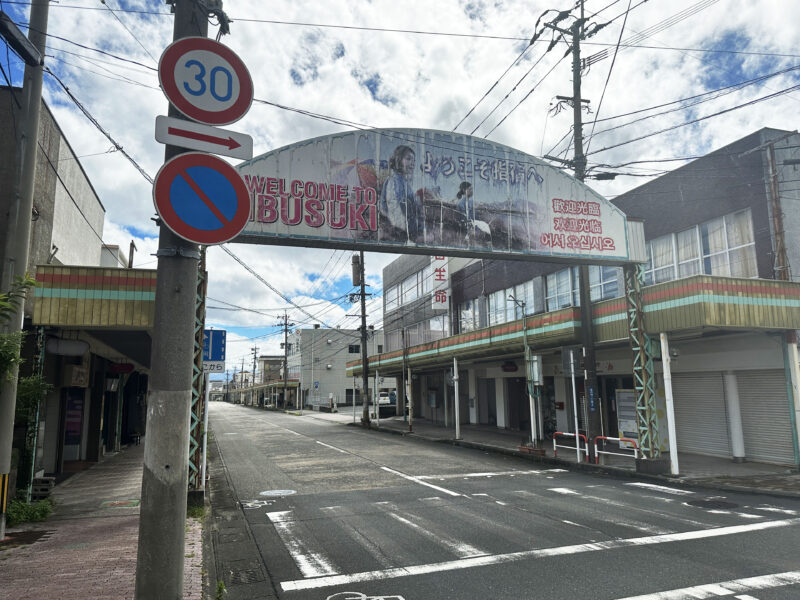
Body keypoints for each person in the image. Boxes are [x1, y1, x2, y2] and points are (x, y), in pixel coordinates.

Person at [380, 144, 423, 242]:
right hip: (402, 231)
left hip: (397, 230)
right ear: (398, 160)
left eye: (414, 160)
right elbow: (404, 205)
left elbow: (383, 207)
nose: (412, 163)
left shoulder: (399, 181)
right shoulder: (397, 181)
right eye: (408, 159)